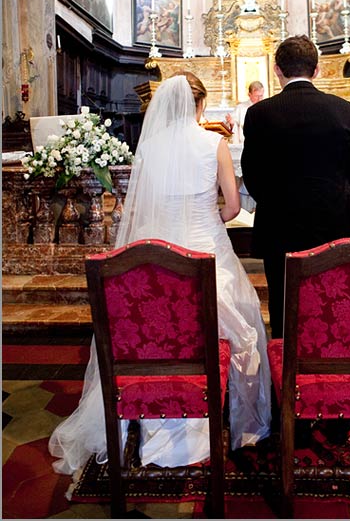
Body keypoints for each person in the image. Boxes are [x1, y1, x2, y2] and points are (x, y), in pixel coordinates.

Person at [49, 72, 271, 473]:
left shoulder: (148, 147)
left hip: (153, 252)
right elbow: (235, 207)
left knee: (155, 320)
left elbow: (141, 207)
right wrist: (210, 221)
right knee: (236, 322)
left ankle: (149, 409)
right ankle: (232, 420)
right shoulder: (214, 143)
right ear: (201, 105)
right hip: (207, 250)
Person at [241, 35, 350, 340]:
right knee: (335, 300)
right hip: (334, 219)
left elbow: (251, 172)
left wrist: (273, 200)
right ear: (317, 69)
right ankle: (331, 365)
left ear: (276, 70)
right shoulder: (342, 109)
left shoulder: (259, 113)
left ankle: (286, 374)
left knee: (283, 303)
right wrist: (332, 193)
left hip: (280, 222)